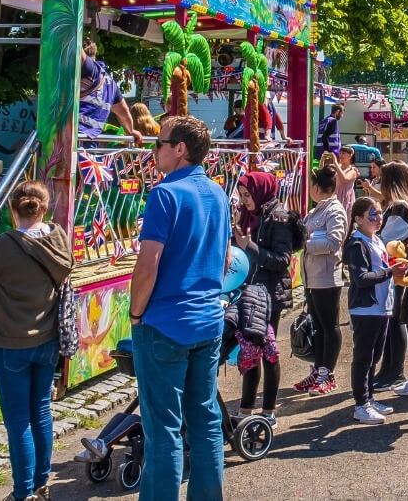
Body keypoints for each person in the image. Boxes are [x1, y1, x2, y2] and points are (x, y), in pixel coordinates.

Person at [130, 115, 230, 500]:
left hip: (165, 322)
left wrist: (137, 313)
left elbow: (148, 264)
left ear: (180, 149)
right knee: (205, 418)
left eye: (160, 142)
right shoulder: (217, 193)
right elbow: (224, 261)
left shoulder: (165, 194)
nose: (155, 149)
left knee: (162, 428)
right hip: (208, 319)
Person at [0, 181, 73, 501]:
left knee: (18, 422)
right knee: (41, 411)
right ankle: (42, 485)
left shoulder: (0, 246)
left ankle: (22, 492)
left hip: (10, 341)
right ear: (45, 207)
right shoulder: (59, 239)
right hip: (48, 340)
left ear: (12, 209)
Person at [232, 171, 302, 424]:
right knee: (250, 349)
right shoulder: (249, 214)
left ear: (261, 191)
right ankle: (246, 410)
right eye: (241, 195)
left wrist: (248, 246)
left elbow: (282, 260)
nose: (244, 200)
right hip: (249, 291)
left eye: (248, 194)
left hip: (271, 294)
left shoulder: (278, 216)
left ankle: (268, 411)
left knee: (268, 350)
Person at [344, 196, 408, 424]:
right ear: (358, 218)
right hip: (365, 309)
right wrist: (391, 271)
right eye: (372, 214)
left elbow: (381, 269)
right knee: (363, 357)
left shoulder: (377, 240)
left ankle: (369, 398)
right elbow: (361, 278)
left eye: (380, 213)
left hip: (382, 307)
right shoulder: (357, 244)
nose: (378, 218)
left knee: (375, 357)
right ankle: (360, 404)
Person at [298, 160, 348, 395]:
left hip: (327, 278)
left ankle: (328, 373)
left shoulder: (334, 210)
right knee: (317, 326)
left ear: (317, 187)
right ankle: (318, 369)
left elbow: (333, 242)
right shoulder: (315, 210)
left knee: (330, 326)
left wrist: (305, 244)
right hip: (312, 277)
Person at [376, 176, 408, 398]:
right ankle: (391, 370)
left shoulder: (400, 207)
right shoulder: (402, 206)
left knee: (397, 319)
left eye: (381, 178)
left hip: (399, 270)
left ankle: (394, 371)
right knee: (396, 319)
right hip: (401, 270)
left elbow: (387, 238)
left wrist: (371, 237)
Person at [79, 38, 142, 143]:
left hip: (75, 137)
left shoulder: (90, 69)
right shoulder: (110, 82)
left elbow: (76, 49)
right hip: (90, 140)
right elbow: (124, 113)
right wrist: (130, 131)